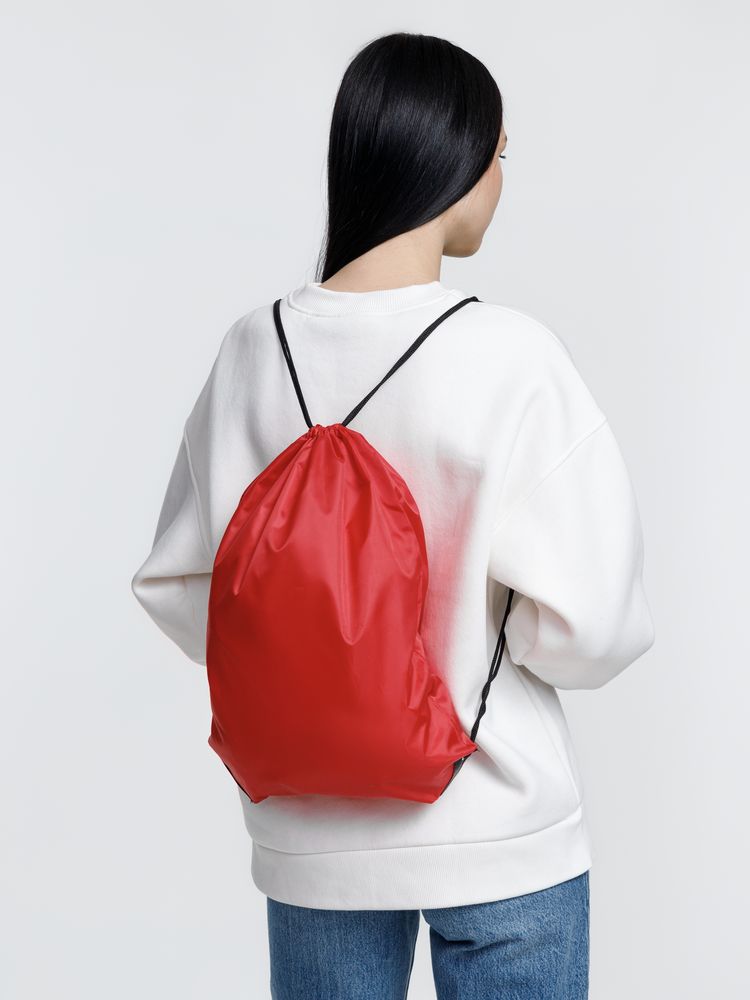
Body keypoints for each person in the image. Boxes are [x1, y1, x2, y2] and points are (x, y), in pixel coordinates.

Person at [131, 31, 655, 1000]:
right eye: (501, 152)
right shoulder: (511, 356)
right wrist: (480, 632)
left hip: (311, 840)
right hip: (500, 830)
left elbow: (180, 588)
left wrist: (313, 653)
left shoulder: (250, 351)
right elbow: (594, 629)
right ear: (454, 158)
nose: (503, 178)